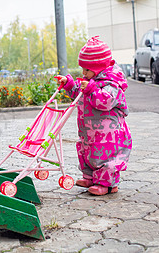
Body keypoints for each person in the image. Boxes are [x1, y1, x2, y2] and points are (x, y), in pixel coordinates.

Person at [55, 36, 132, 196]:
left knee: (106, 156)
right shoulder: (91, 80)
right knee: (88, 152)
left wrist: (91, 89)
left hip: (108, 135)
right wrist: (70, 85)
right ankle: (90, 177)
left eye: (87, 70)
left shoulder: (112, 85)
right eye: (82, 69)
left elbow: (104, 101)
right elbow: (80, 93)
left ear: (99, 67)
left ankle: (107, 184)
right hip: (89, 131)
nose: (84, 73)